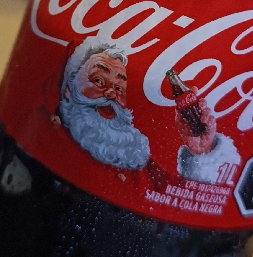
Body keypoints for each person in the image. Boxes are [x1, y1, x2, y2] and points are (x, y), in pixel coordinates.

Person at [52, 37, 241, 184]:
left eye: (119, 88)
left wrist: (203, 151)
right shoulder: (45, 140)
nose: (111, 94)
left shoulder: (137, 162)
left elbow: (189, 206)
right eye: (99, 81)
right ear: (69, 87)